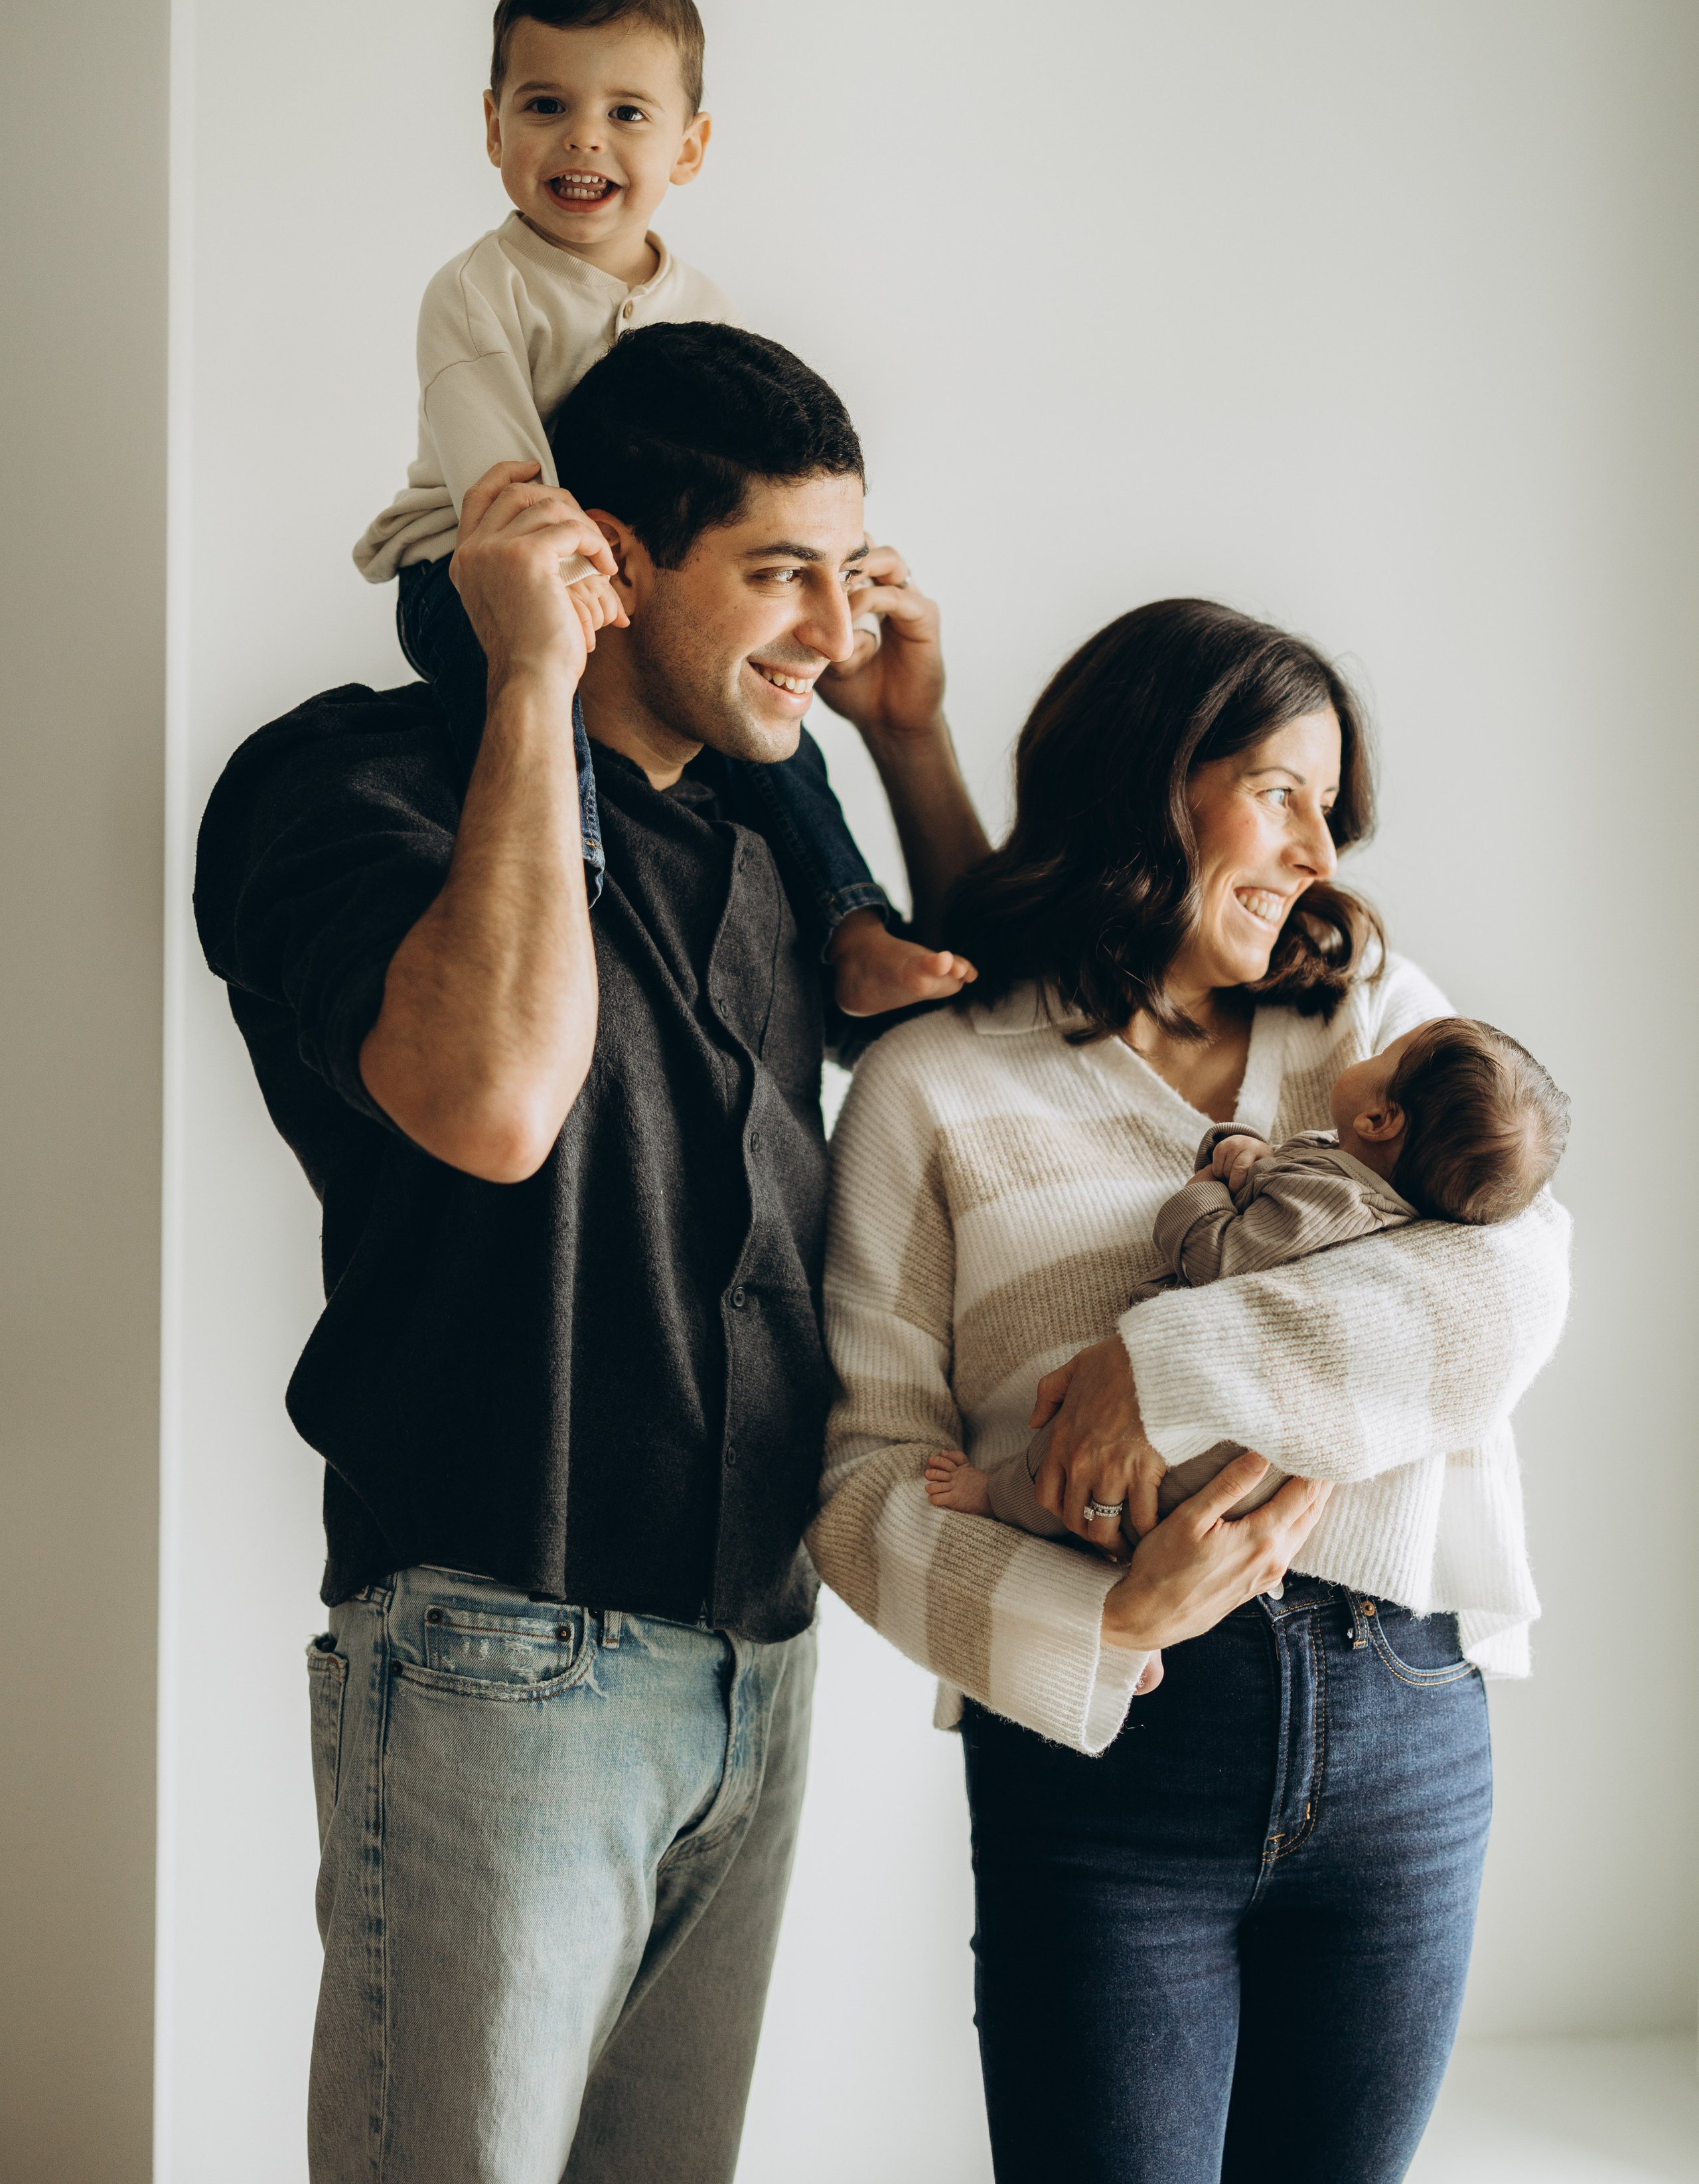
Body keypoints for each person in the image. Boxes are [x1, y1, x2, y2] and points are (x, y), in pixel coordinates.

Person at [194, 323, 990, 2184]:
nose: (830, 626)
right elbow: (489, 1098)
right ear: (611, 564)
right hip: (497, 1646)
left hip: (755, 1648)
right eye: (778, 572)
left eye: (845, 569)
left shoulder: (763, 833)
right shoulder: (347, 783)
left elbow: (1000, 1060)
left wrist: (910, 742)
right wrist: (532, 678)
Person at [808, 597, 1572, 2184]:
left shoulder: (1372, 1024)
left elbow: (1508, 1289)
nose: (1314, 850)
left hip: (1404, 1725)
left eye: (1327, 807)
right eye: (1278, 791)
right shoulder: (927, 1084)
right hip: (1109, 1765)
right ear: (1149, 779)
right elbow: (863, 1479)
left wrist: (1158, 1372)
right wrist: (1100, 1617)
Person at [351, 0, 958, 1018]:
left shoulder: (705, 306)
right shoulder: (479, 291)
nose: (584, 137)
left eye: (627, 112)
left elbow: (742, 477)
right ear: (492, 127)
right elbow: (504, 485)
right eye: (545, 106)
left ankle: (851, 924)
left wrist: (794, 576)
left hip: (637, 576)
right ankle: (574, 913)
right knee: (536, 708)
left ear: (690, 146)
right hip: (471, 565)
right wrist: (576, 593)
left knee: (775, 726)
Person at [925, 1014, 1571, 1561]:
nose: (1369, 1050)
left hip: (1213, 1434)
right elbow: (1279, 1200)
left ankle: (993, 1494)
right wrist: (1242, 1150)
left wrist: (1201, 1192)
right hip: (1246, 1456)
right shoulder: (1361, 1189)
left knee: (1060, 1463)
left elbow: (1222, 1256)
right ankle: (1139, 1623)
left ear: (1379, 1118)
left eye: (1385, 1054)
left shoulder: (1331, 1200)